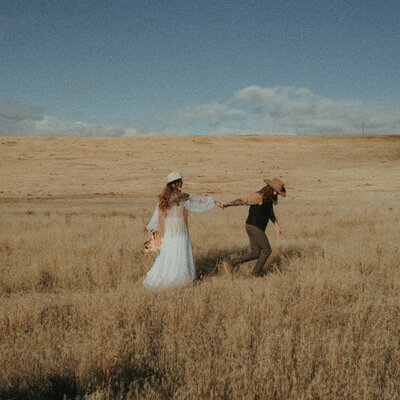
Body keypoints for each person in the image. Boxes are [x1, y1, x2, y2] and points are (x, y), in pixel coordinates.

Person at [143, 171, 221, 289]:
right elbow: (198, 201)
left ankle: (168, 277)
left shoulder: (164, 198)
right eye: (181, 180)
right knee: (180, 252)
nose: (182, 182)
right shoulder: (182, 197)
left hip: (170, 231)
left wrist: (154, 232)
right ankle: (180, 279)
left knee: (169, 253)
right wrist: (213, 201)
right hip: (180, 230)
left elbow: (156, 217)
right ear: (178, 183)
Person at [221, 178, 286, 277]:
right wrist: (227, 204)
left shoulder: (269, 199)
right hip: (254, 226)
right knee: (267, 250)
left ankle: (230, 263)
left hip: (256, 227)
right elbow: (242, 201)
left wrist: (277, 226)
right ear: (271, 189)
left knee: (255, 253)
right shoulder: (258, 197)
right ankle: (255, 273)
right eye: (277, 192)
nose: (277, 194)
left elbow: (270, 213)